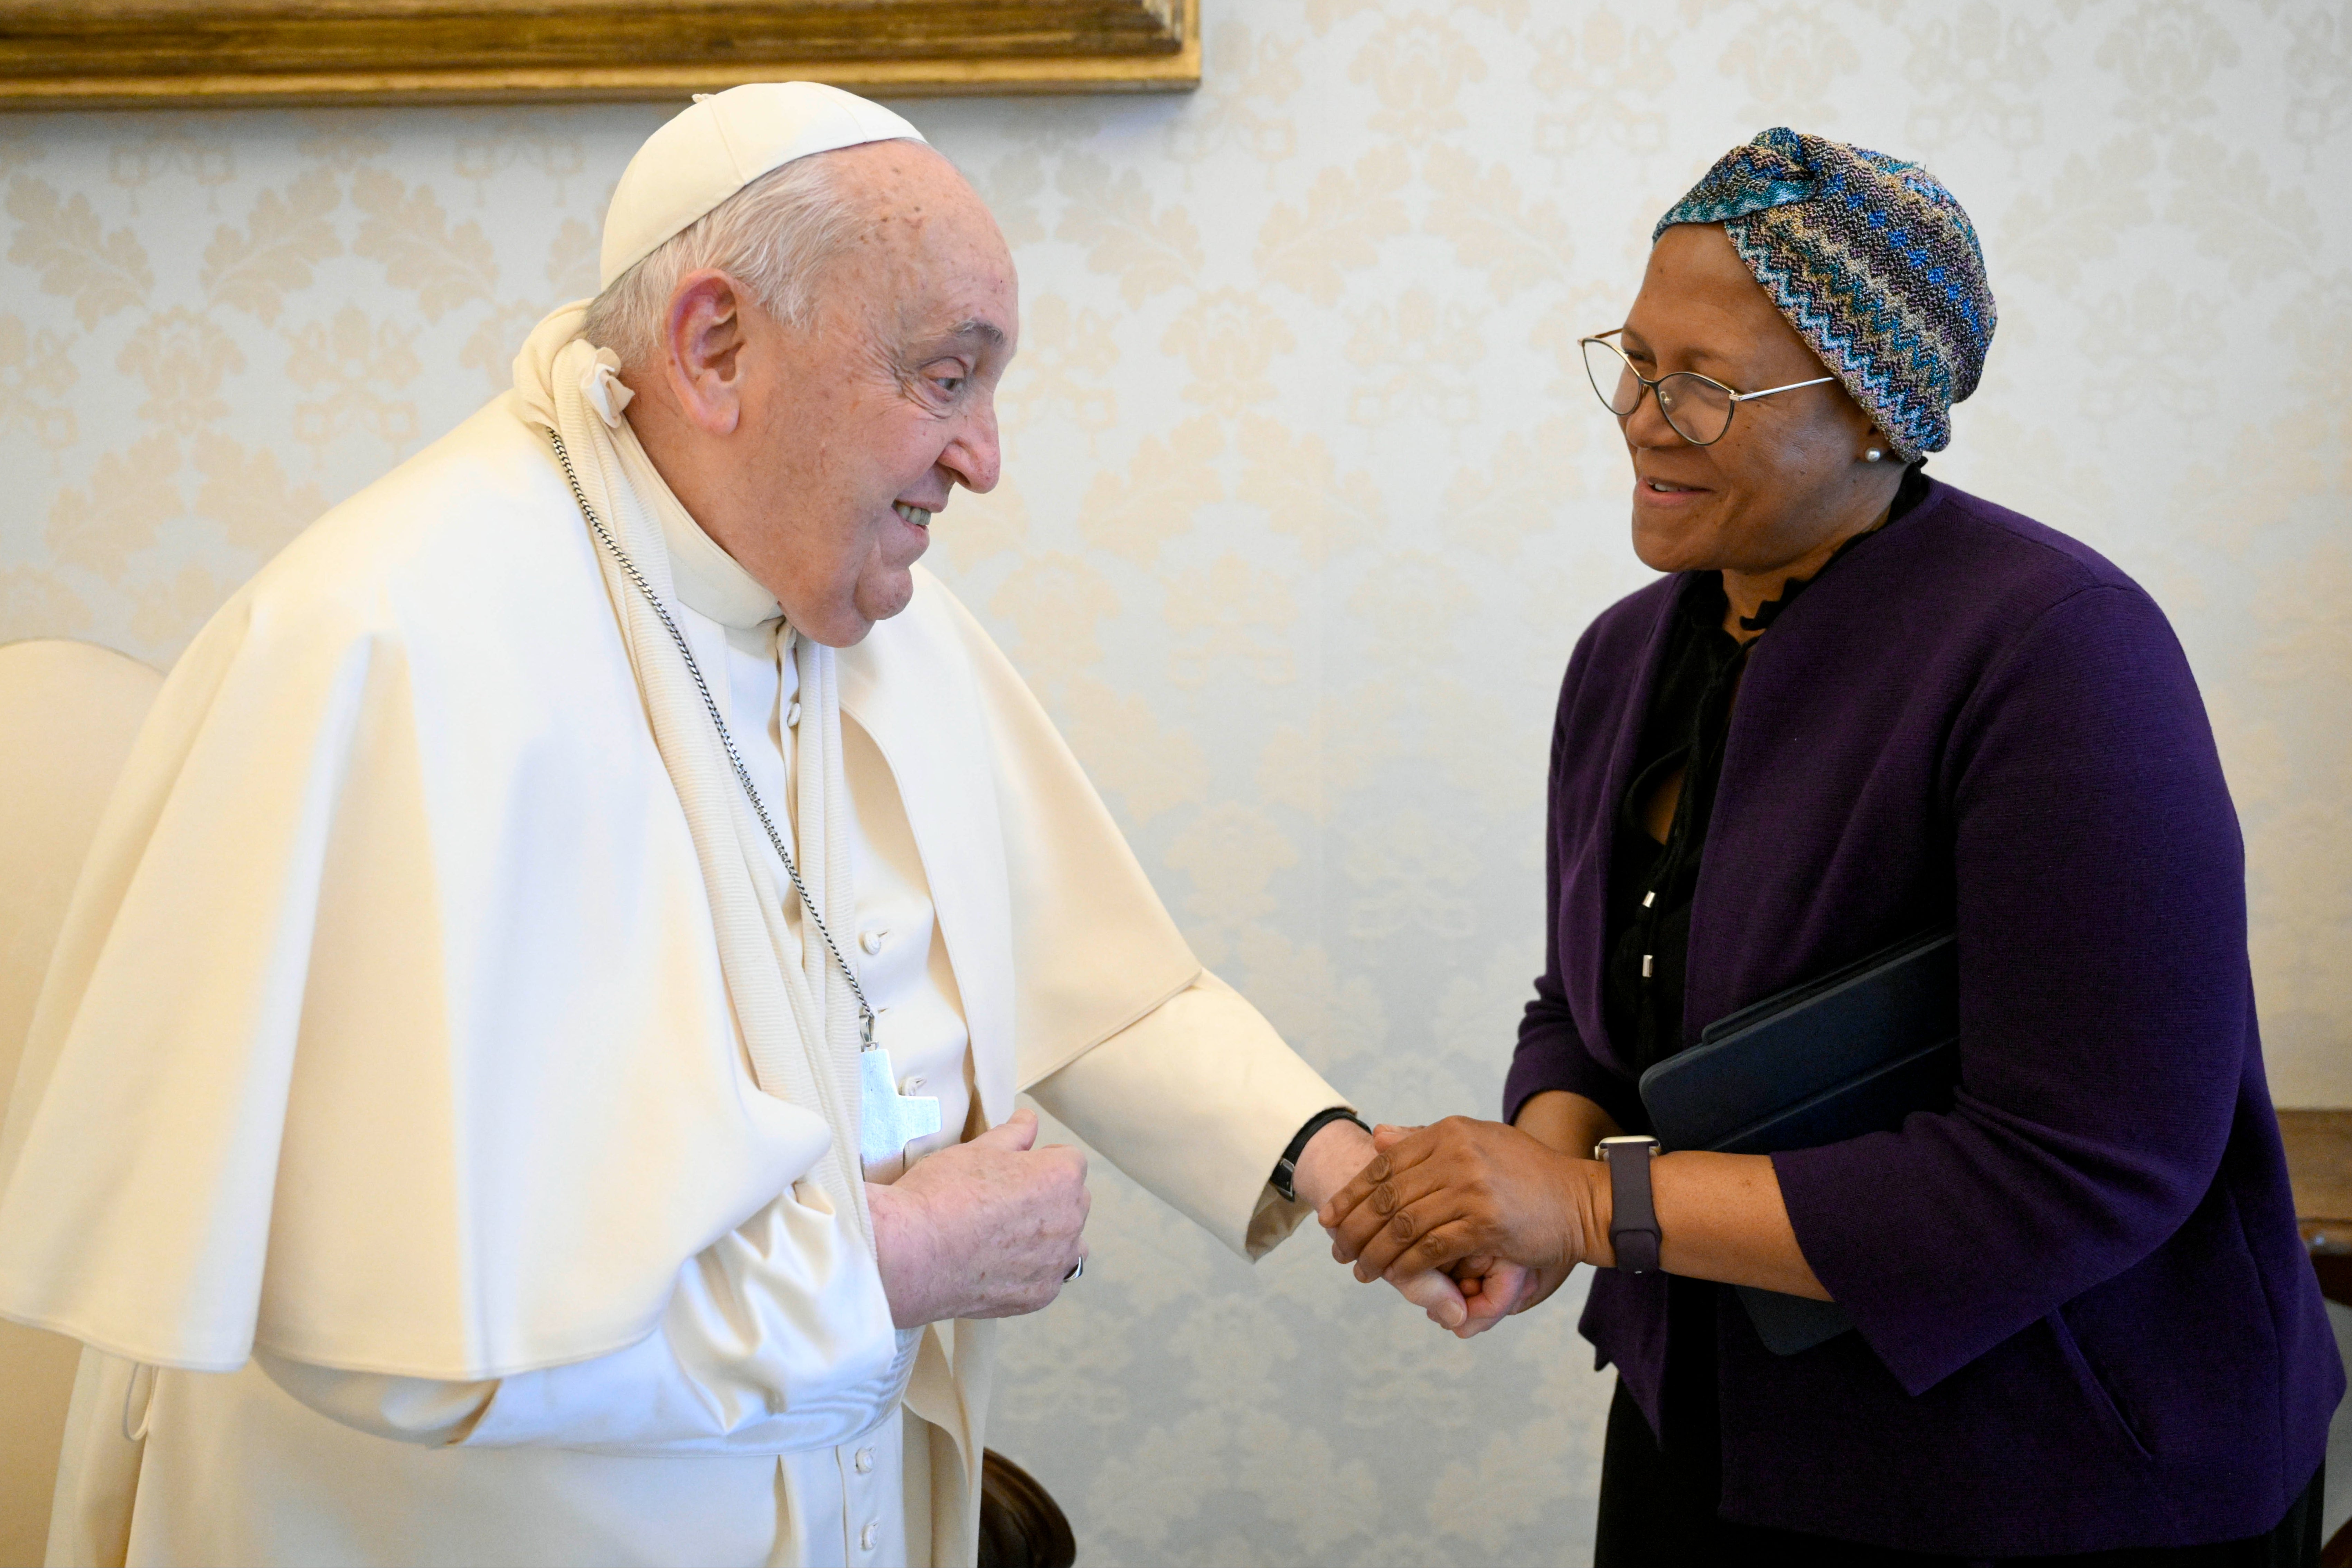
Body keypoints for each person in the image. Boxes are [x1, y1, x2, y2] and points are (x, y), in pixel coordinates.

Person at [0, 83, 1448, 1567]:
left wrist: (1342, 1166)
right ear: (714, 348)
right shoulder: (391, 642)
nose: (984, 457)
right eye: (946, 379)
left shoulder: (857, 596)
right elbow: (392, 1322)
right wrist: (896, 1259)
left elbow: (1092, 967)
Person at [1322, 128, 2341, 1564]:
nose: (1641, 416)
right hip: (1706, 1441)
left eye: (1705, 382)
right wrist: (1525, 1196)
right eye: (1633, 356)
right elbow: (1592, 1010)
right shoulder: (1625, 658)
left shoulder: (2062, 654)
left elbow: (2085, 1165)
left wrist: (1589, 1202)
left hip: (2048, 1478)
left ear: (1875, 407)